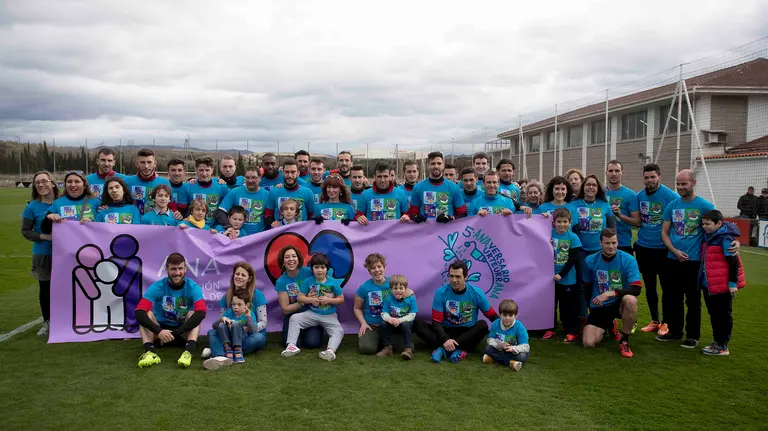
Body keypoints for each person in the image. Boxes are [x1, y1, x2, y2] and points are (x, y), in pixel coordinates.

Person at [659, 169, 716, 348]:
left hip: (694, 261)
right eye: (678, 184)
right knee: (673, 298)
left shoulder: (705, 206)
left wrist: (733, 242)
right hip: (673, 259)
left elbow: (719, 227)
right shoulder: (672, 206)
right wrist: (674, 251)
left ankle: (692, 335)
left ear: (693, 183)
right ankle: (675, 332)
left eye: (684, 183)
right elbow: (664, 233)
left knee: (693, 299)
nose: (680, 187)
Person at [414, 260, 498, 363]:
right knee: (418, 324)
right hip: (446, 331)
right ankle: (457, 349)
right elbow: (436, 322)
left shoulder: (476, 293)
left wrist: (512, 328)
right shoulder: (440, 293)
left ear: (465, 277)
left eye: (458, 276)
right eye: (451, 276)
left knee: (483, 325)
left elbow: (492, 316)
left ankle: (443, 350)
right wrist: (445, 339)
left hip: (466, 333)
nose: (454, 280)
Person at [135, 252, 206, 368]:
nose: (177, 272)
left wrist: (176, 332)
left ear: (185, 269)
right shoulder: (157, 286)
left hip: (182, 333)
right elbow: (139, 312)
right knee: (146, 313)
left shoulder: (193, 287)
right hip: (160, 334)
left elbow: (201, 313)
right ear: (167, 269)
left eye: (180, 268)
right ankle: (150, 352)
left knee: (193, 314)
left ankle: (188, 352)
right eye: (173, 269)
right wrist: (159, 331)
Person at [582, 229, 642, 358]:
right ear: (600, 243)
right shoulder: (590, 261)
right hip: (601, 305)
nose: (611, 246)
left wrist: (610, 293)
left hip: (620, 304)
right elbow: (587, 287)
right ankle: (610, 324)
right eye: (607, 243)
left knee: (631, 300)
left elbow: (636, 289)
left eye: (614, 243)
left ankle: (624, 340)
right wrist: (591, 308)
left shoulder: (628, 260)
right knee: (588, 343)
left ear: (618, 242)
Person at [634, 164, 678, 334]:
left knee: (667, 288)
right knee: (650, 287)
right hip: (644, 248)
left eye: (653, 177)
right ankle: (655, 320)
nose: (649, 180)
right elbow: (637, 220)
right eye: (646, 177)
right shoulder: (639, 196)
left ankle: (666, 322)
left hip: (663, 249)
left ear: (659, 177)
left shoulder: (671, 196)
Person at [203, 262, 268, 370]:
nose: (239, 277)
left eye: (243, 275)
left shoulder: (258, 295)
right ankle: (221, 355)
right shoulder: (227, 296)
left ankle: (218, 351)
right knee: (212, 332)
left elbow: (263, 322)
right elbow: (220, 324)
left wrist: (247, 328)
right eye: (237, 274)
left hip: (250, 336)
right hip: (229, 335)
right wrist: (225, 323)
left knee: (259, 338)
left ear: (249, 278)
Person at [281, 253, 345, 362]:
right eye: (316, 267)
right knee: (294, 318)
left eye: (322, 267)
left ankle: (330, 351)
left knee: (338, 331)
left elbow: (341, 299)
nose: (319, 270)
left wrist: (328, 300)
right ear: (312, 269)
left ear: (327, 269)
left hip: (329, 315)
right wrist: (310, 300)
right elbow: (300, 297)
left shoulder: (333, 283)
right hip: (312, 313)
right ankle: (291, 346)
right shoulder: (308, 281)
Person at [700, 210, 746, 356]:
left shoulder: (725, 239)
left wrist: (732, 284)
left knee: (723, 316)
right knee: (714, 314)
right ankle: (717, 342)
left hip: (722, 286)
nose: (704, 227)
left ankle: (722, 346)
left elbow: (733, 262)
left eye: (708, 224)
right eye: (703, 224)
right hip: (710, 285)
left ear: (719, 223)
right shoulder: (708, 236)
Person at [570, 174, 616, 317]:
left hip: (599, 252)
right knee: (581, 284)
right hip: (580, 251)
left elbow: (612, 229)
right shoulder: (574, 205)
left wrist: (611, 249)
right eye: (588, 184)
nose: (591, 187)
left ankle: (601, 316)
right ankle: (583, 317)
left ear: (598, 188)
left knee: (599, 283)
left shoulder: (605, 205)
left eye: (594, 185)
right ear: (583, 187)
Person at [21, 171, 59, 337]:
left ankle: (68, 319)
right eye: (37, 183)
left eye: (44, 181)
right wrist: (44, 237)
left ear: (52, 182)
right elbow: (25, 231)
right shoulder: (32, 207)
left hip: (66, 253)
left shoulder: (63, 202)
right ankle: (48, 322)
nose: (41, 185)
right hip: (43, 254)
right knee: (46, 288)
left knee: (67, 287)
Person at [274, 246, 324, 349]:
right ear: (282, 261)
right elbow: (286, 309)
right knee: (289, 343)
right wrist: (305, 300)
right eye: (287, 257)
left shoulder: (309, 272)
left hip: (313, 311)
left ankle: (313, 330)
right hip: (294, 314)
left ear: (298, 259)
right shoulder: (281, 281)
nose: (291, 259)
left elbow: (326, 282)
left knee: (312, 343)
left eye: (294, 256)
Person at [546, 207, 582, 342]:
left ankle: (571, 330)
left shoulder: (573, 237)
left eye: (565, 222)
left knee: (567, 306)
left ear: (570, 222)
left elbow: (573, 259)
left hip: (567, 279)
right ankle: (550, 327)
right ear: (554, 222)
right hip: (550, 278)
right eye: (559, 221)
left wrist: (561, 274)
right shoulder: (548, 234)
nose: (562, 225)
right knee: (550, 304)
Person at [407, 152, 467, 223]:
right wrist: (416, 217)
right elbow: (413, 213)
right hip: (425, 229)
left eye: (439, 163)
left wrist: (450, 218)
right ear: (428, 165)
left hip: (446, 229)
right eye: (433, 163)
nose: (436, 166)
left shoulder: (454, 187)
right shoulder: (418, 188)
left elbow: (462, 213)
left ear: (443, 166)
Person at [354, 254, 394, 355]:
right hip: (372, 325)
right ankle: (376, 340)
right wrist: (363, 323)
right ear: (369, 271)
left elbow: (406, 294)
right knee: (366, 349)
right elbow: (357, 308)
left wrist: (410, 292)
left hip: (389, 324)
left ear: (384, 268)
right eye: (373, 268)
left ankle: (383, 341)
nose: (377, 270)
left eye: (379, 266)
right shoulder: (364, 288)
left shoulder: (393, 284)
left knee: (401, 347)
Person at [216, 165, 270, 235]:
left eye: (253, 177)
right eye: (247, 177)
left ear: (260, 178)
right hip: (237, 236)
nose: (250, 180)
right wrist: (229, 227)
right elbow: (221, 212)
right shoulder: (235, 192)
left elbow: (270, 215)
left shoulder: (267, 195)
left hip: (258, 237)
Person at [180, 156, 229, 227]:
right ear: (196, 170)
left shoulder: (222, 187)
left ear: (212, 170)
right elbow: (182, 210)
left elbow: (225, 210)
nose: (204, 173)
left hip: (214, 229)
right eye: (201, 170)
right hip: (193, 227)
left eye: (207, 170)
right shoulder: (187, 187)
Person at [482, 299, 530, 371]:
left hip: (513, 352)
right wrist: (498, 345)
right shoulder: (495, 323)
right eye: (504, 315)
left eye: (510, 315)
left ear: (515, 315)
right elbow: (490, 339)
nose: (507, 318)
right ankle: (510, 363)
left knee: (522, 357)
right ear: (500, 314)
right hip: (500, 350)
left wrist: (513, 348)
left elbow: (526, 347)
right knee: (487, 349)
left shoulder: (520, 327)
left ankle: (494, 359)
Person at [264, 159, 316, 226]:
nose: (290, 175)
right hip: (280, 231)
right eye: (287, 172)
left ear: (298, 173)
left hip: (300, 231)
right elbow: (268, 214)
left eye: (293, 172)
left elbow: (311, 216)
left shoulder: (307, 192)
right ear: (283, 173)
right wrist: (272, 222)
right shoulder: (274, 192)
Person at [378, 274, 418, 360]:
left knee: (405, 324)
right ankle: (388, 347)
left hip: (404, 323)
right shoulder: (388, 298)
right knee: (383, 324)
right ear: (391, 289)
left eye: (401, 288)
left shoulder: (411, 298)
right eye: (395, 288)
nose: (398, 291)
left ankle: (408, 349)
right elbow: (384, 313)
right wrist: (389, 319)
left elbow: (412, 315)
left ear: (405, 289)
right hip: (393, 322)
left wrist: (400, 320)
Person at [604, 160, 640, 255]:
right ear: (606, 173)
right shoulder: (600, 193)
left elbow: (637, 222)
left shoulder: (630, 195)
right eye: (610, 171)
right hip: (603, 243)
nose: (614, 174)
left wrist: (620, 215)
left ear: (622, 173)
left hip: (623, 244)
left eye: (617, 171)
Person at [124, 149, 172, 216]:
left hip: (155, 221)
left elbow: (170, 206)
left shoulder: (164, 183)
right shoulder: (127, 181)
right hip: (134, 221)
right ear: (137, 164)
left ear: (155, 164)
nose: (146, 166)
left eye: (149, 162)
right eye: (142, 162)